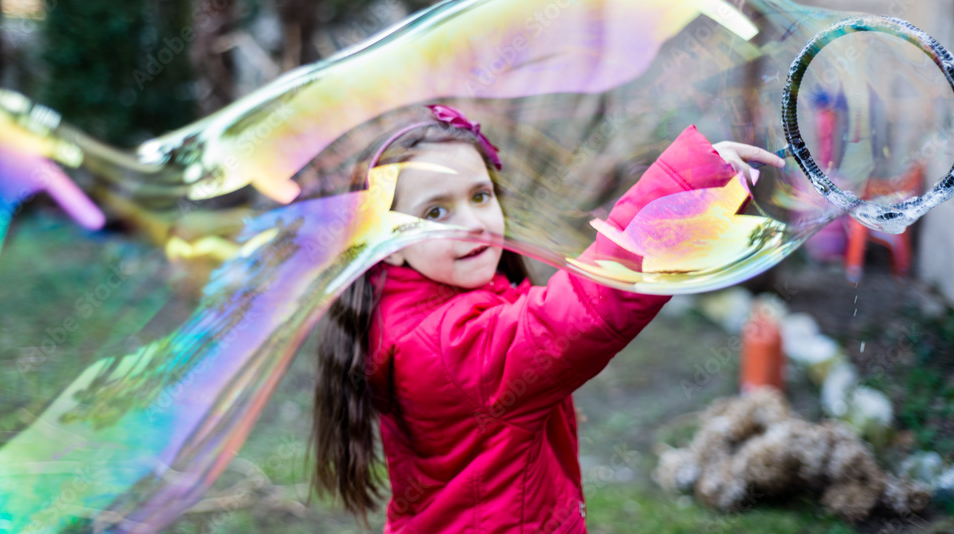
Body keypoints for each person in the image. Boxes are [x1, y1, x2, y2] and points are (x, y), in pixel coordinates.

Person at [309, 104, 785, 533]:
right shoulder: (450, 346)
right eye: (436, 211)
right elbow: (580, 311)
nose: (473, 221)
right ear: (386, 249)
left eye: (480, 196)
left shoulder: (408, 309)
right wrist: (687, 191)